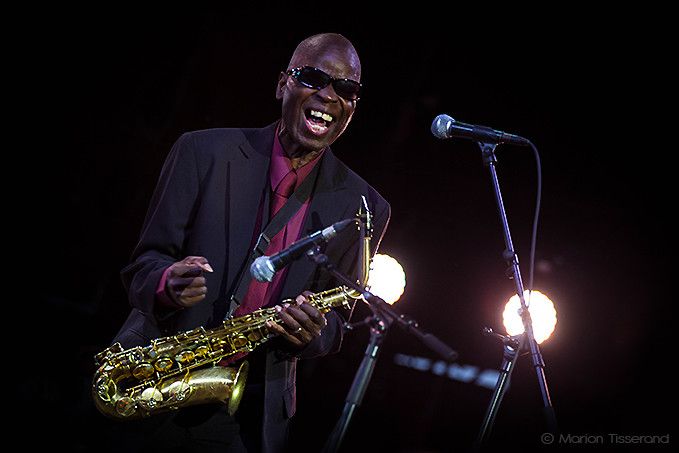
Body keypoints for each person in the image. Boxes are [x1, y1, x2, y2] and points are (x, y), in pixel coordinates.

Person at [108, 33, 390, 452]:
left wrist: (311, 332)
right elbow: (141, 268)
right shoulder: (202, 151)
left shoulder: (366, 207)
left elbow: (335, 327)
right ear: (282, 84)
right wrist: (168, 283)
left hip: (246, 418)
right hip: (151, 386)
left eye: (346, 88)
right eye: (313, 78)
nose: (329, 95)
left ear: (353, 106)